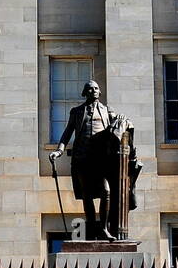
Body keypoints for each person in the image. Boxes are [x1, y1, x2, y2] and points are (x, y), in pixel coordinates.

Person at [50, 80, 129, 240]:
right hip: (82, 158)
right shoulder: (77, 111)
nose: (93, 90)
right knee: (87, 195)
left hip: (101, 160)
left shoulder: (107, 111)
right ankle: (92, 228)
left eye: (96, 88)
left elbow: (119, 127)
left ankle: (104, 228)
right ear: (84, 93)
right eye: (90, 89)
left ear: (100, 92)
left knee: (106, 191)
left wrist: (121, 121)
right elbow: (67, 133)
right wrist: (59, 151)